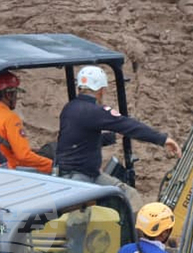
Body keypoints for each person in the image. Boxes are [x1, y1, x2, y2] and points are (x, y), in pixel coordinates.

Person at [56, 66, 181, 207]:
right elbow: (129, 125)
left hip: (80, 175)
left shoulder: (70, 108)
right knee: (88, 216)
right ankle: (138, 228)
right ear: (100, 89)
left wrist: (112, 137)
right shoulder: (94, 111)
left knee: (128, 195)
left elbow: (80, 139)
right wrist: (163, 139)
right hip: (81, 178)